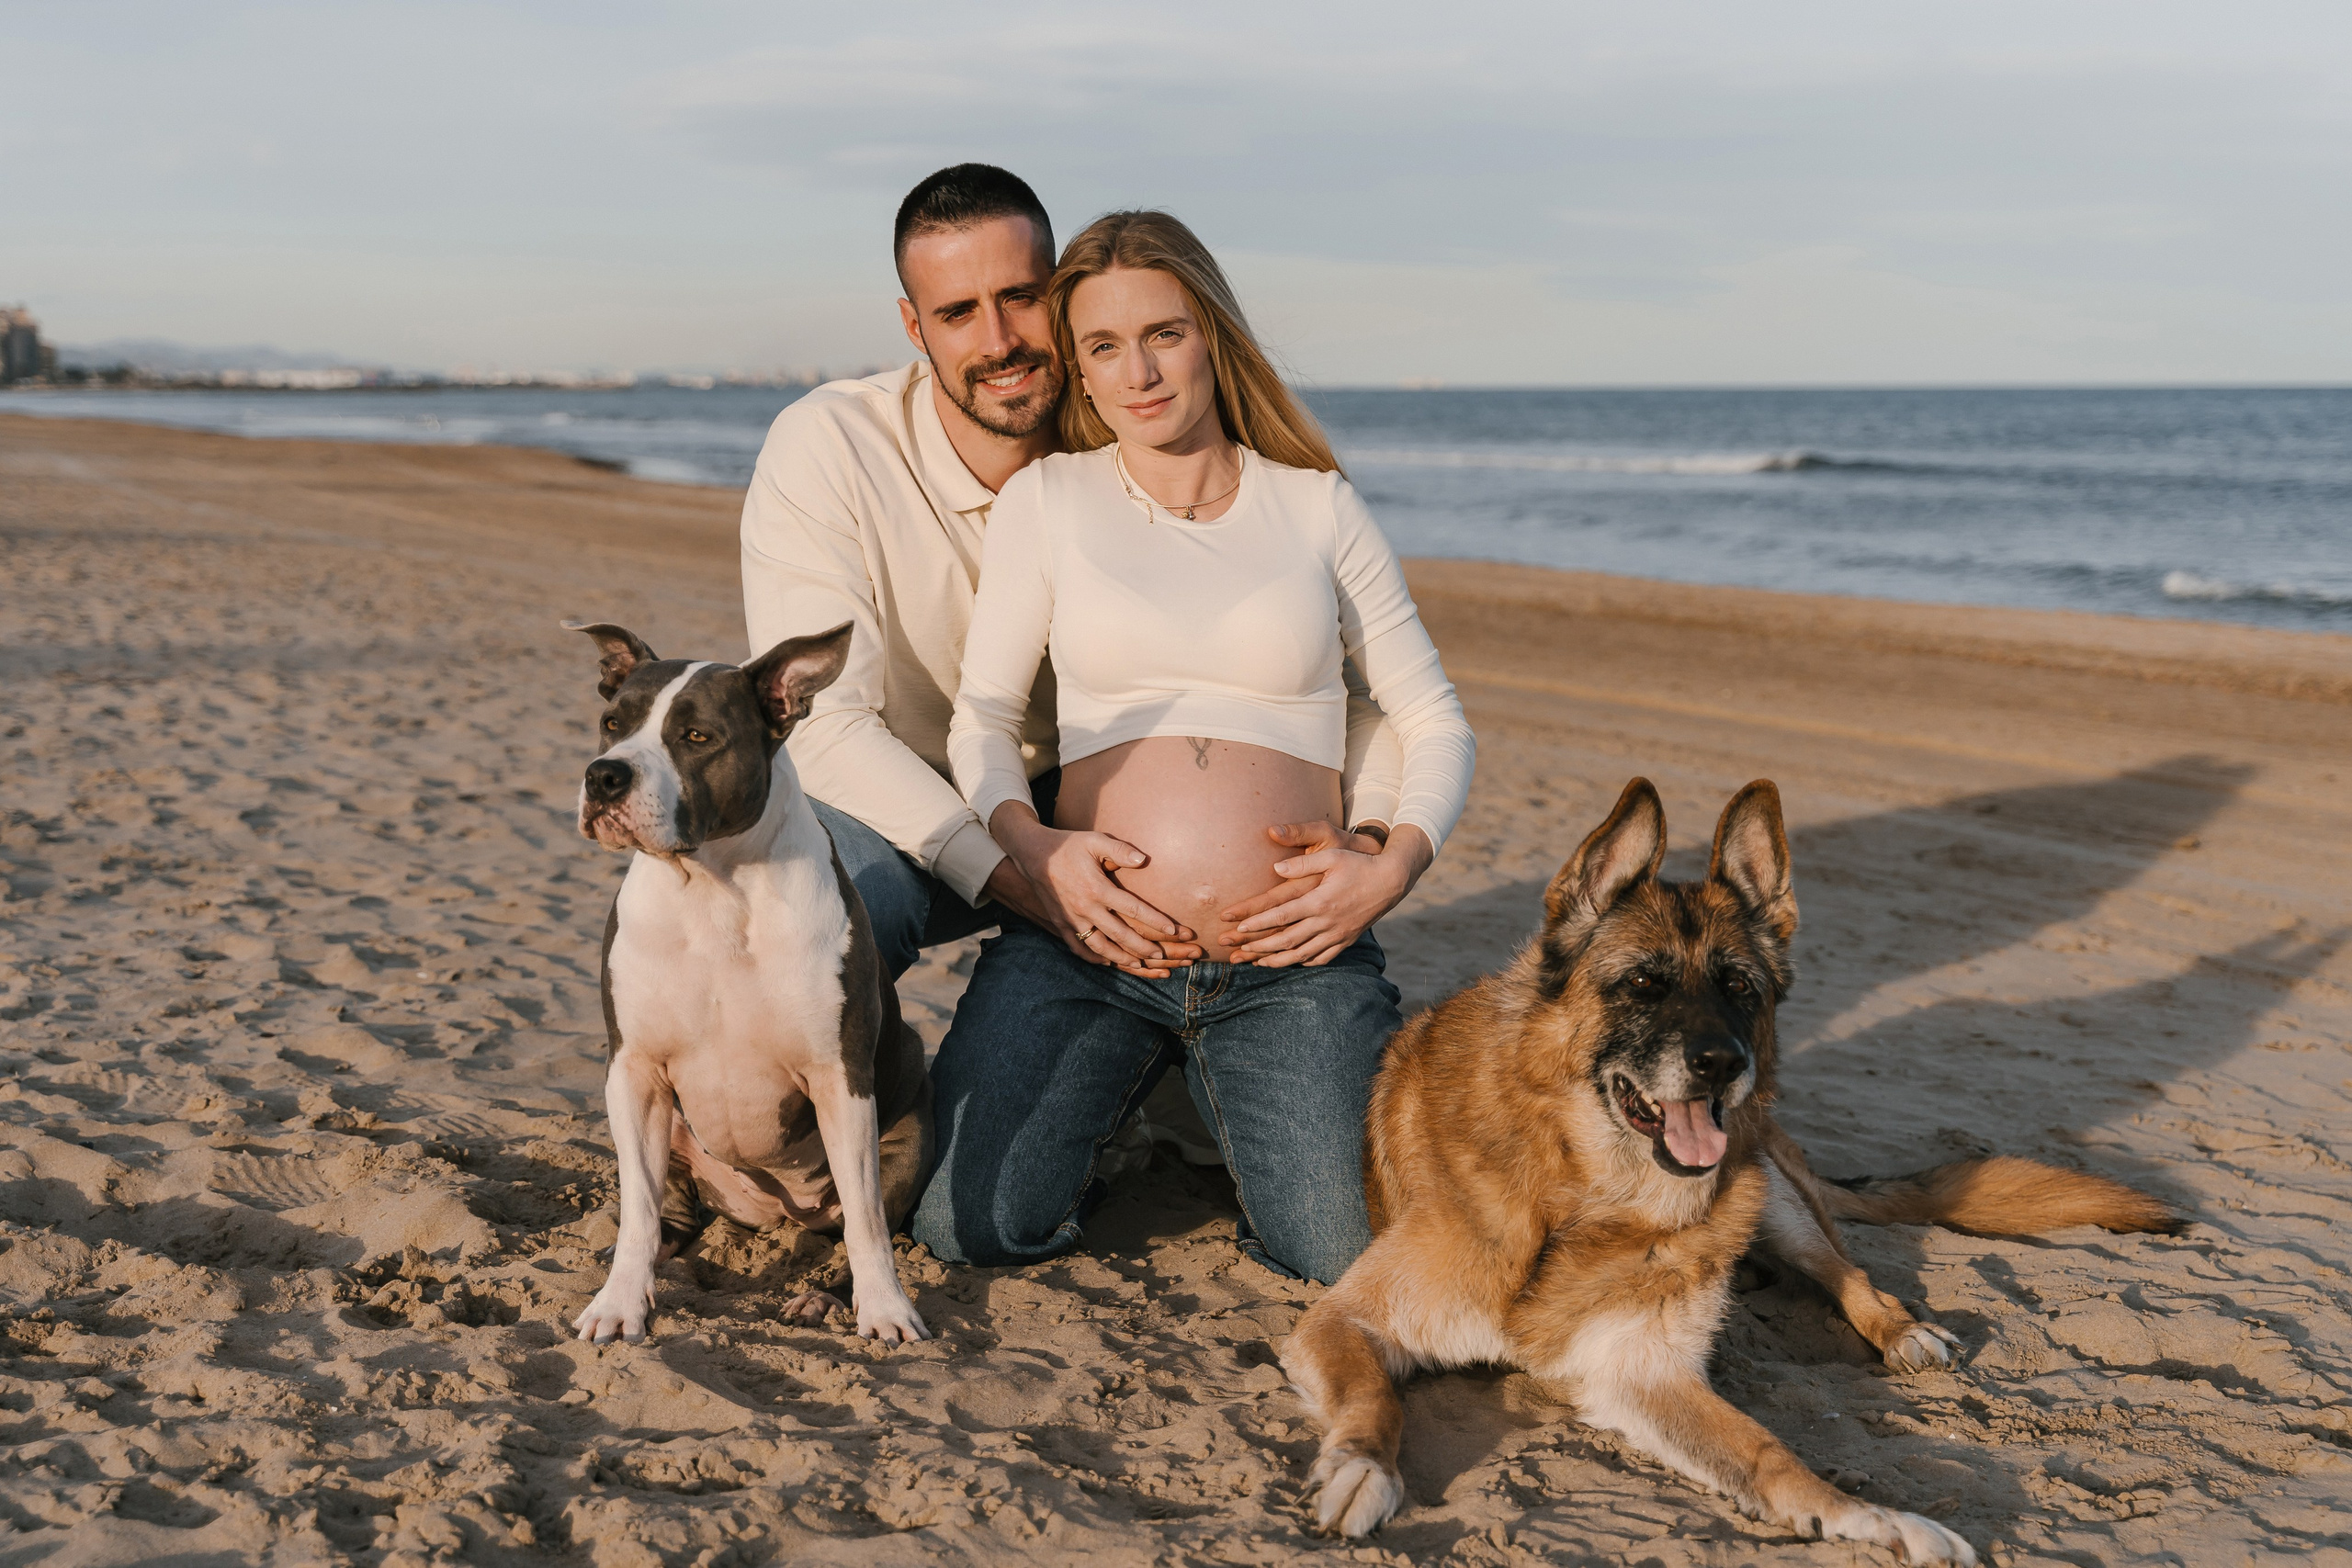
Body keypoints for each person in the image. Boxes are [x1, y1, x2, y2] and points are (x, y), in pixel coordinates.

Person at [910, 210, 1476, 1285]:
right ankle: (1128, 1106)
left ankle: (1220, 1098)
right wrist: (1032, 848)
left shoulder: (1316, 507)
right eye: (1104, 347)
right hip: (1089, 943)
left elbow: (1430, 716)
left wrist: (1388, 864)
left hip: (1291, 960)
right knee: (964, 1225)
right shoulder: (1049, 500)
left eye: (1163, 334)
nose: (1139, 373)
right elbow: (981, 718)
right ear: (1079, 371)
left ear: (1212, 333)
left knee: (1346, 1252)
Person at [741, 164, 1406, 984]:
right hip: (915, 813)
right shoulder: (832, 447)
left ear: (1062, 299)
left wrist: (1371, 837)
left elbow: (1342, 696)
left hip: (1095, 814)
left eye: (1020, 298)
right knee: (829, 899)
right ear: (915, 327)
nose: (998, 342)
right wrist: (1025, 875)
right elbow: (824, 724)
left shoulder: (1146, 439)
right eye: (958, 313)